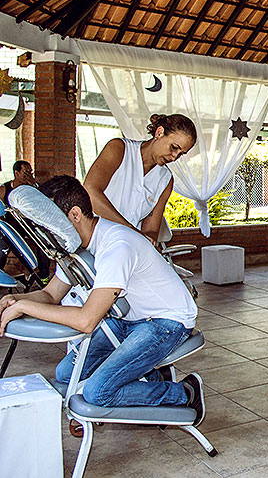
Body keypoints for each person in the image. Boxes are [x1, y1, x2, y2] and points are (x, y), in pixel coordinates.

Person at [0, 176, 205, 422]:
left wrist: (26, 306)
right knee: (66, 374)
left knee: (98, 392)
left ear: (75, 214)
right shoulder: (76, 249)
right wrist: (16, 299)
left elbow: (86, 320)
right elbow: (49, 294)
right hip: (129, 320)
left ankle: (184, 392)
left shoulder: (116, 246)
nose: (47, 231)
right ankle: (150, 376)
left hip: (166, 322)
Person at [83, 114, 197, 245]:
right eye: (174, 147)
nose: (174, 157)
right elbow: (90, 192)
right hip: (92, 240)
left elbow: (151, 230)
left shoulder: (166, 180)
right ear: (159, 133)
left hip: (127, 248)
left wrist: (148, 241)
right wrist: (131, 231)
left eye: (181, 153)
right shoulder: (119, 149)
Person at [0, 160, 51, 279]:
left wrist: (33, 185)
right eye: (25, 172)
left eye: (30, 172)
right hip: (13, 226)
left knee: (44, 240)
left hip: (29, 225)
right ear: (16, 173)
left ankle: (43, 276)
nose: (28, 175)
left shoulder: (32, 189)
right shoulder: (4, 189)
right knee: (2, 242)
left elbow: (44, 204)